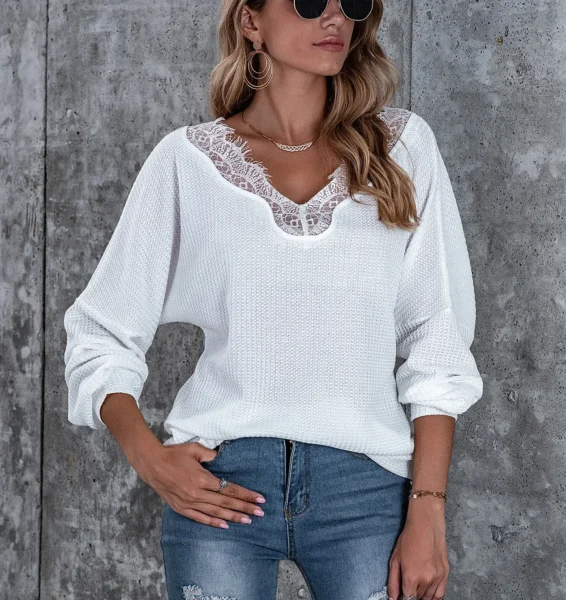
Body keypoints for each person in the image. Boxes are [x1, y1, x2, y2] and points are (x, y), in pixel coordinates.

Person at [63, 1, 484, 599]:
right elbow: (101, 330)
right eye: (309, 1)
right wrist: (150, 459)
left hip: (367, 491)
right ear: (251, 21)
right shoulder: (187, 163)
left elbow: (436, 340)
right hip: (223, 482)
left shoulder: (402, 150)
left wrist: (429, 507)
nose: (334, 17)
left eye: (352, 3)